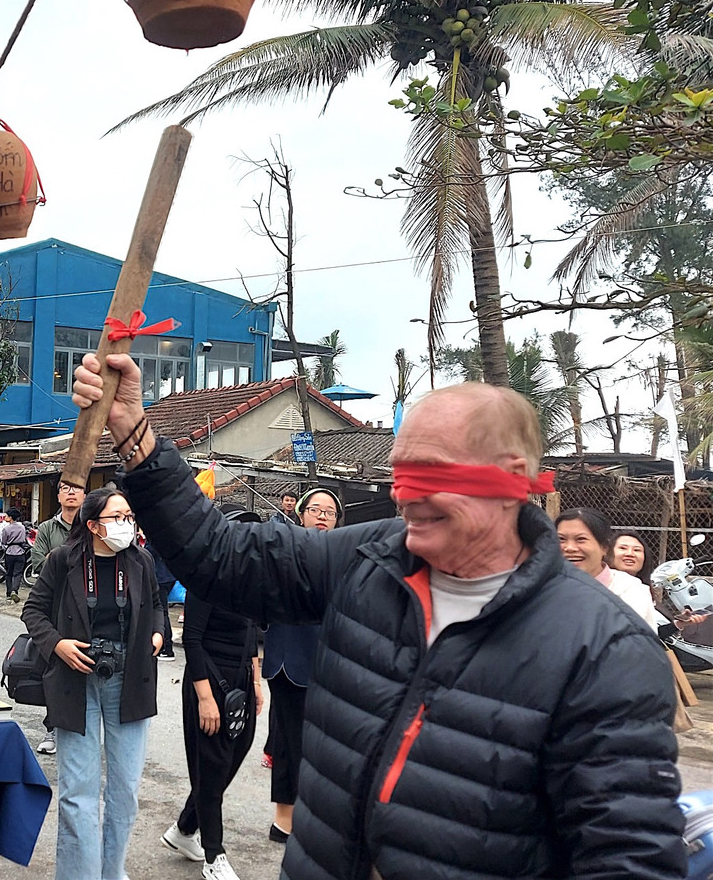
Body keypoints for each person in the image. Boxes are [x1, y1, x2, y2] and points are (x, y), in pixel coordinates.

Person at [73, 355, 685, 879]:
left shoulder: (603, 651)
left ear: (513, 480)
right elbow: (221, 556)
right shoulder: (366, 561)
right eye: (401, 471)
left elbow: (626, 857)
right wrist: (136, 436)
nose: (403, 494)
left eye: (433, 473)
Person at [21, 485, 166, 880]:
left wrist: (157, 634)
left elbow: (156, 605)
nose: (126, 525)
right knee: (77, 794)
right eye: (117, 518)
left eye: (129, 518)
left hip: (130, 678)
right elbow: (33, 610)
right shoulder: (63, 560)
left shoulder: (141, 561)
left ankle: (111, 872)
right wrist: (58, 644)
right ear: (93, 525)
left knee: (125, 792)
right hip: (75, 680)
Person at [163, 507, 263, 880]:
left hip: (240, 683)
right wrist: (205, 697)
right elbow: (192, 637)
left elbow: (251, 634)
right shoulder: (206, 576)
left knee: (235, 753)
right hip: (208, 682)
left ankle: (185, 828)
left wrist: (255, 683)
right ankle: (213, 856)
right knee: (212, 764)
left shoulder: (251, 580)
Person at [262, 487, 341, 843]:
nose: (322, 516)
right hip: (289, 658)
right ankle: (284, 819)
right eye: (316, 509)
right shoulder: (284, 551)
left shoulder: (344, 557)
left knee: (324, 745)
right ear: (301, 514)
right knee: (289, 741)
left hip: (330, 664)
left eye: (330, 512)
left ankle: (313, 815)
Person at [29, 479, 86, 755]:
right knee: (54, 671)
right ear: (59, 495)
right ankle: (52, 728)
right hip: (54, 606)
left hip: (86, 608)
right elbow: (38, 561)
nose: (72, 492)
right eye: (66, 488)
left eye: (77, 488)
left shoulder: (92, 526)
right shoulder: (48, 529)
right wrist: (60, 557)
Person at [556, 507, 662, 630]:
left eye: (581, 539)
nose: (569, 548)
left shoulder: (631, 591)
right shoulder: (542, 588)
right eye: (561, 539)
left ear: (605, 547)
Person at [0, 513, 30, 603]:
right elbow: (24, 539)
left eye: (7, 516)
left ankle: (8, 593)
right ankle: (15, 590)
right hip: (20, 552)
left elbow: (4, 541)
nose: (6, 517)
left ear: (11, 517)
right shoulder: (22, 527)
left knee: (9, 573)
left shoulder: (6, 529)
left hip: (10, 552)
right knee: (18, 573)